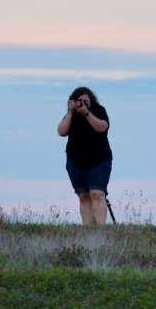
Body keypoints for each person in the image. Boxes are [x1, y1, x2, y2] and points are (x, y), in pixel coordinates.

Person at [57, 86, 113, 225]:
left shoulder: (99, 110)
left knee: (97, 194)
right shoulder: (71, 115)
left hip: (99, 159)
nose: (82, 103)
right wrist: (70, 112)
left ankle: (100, 229)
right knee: (83, 196)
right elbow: (61, 132)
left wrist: (86, 113)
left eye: (85, 101)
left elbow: (102, 127)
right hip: (76, 160)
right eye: (79, 101)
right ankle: (87, 229)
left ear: (91, 100)